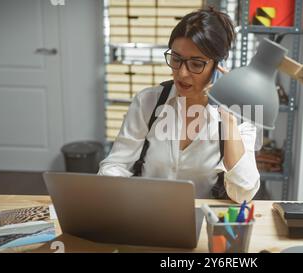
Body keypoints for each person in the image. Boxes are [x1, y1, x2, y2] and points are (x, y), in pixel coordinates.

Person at [98, 8, 260, 203]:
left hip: (201, 225)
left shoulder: (240, 115)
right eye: (176, 59)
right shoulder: (147, 102)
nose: (182, 73)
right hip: (145, 216)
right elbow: (116, 165)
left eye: (196, 63)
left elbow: (243, 193)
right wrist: (111, 193)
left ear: (218, 66)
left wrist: (228, 118)